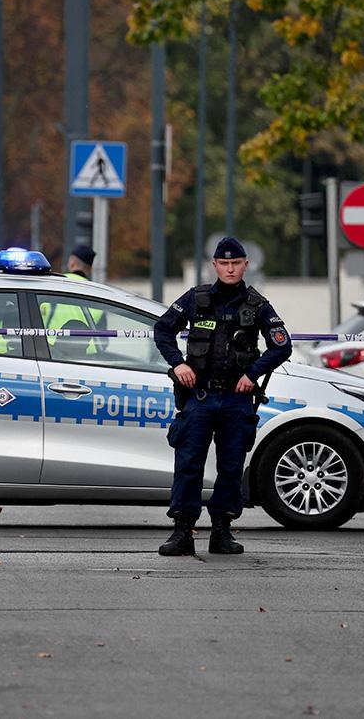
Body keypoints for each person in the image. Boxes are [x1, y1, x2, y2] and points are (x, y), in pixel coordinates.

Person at [152, 236, 292, 556]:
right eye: (224, 264)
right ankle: (182, 532)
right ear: (214, 265)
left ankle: (222, 532)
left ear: (246, 265)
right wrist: (178, 364)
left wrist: (252, 374)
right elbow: (163, 330)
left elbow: (282, 345)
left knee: (230, 467)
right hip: (198, 397)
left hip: (235, 399)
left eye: (235, 263)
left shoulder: (257, 304)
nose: (230, 269)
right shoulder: (195, 298)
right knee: (188, 465)